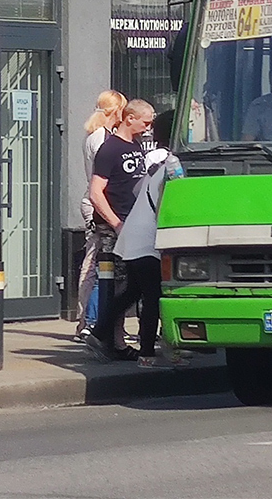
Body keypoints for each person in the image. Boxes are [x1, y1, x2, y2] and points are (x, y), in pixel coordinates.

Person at [89, 111, 188, 368]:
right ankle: (147, 352)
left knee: (132, 292)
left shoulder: (159, 165)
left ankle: (99, 332)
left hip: (134, 234)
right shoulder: (173, 164)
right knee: (152, 295)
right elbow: (174, 201)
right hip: (146, 240)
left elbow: (137, 190)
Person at [85, 98, 154, 361]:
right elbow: (95, 192)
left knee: (131, 286)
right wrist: (116, 223)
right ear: (130, 118)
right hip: (117, 226)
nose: (148, 128)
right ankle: (108, 339)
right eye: (145, 122)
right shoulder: (110, 149)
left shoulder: (135, 145)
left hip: (134, 225)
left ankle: (111, 338)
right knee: (117, 284)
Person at [74, 90, 126, 341]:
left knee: (95, 262)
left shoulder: (95, 135)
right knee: (97, 263)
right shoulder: (102, 139)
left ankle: (88, 319)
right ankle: (89, 321)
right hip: (98, 203)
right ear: (115, 111)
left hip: (94, 200)